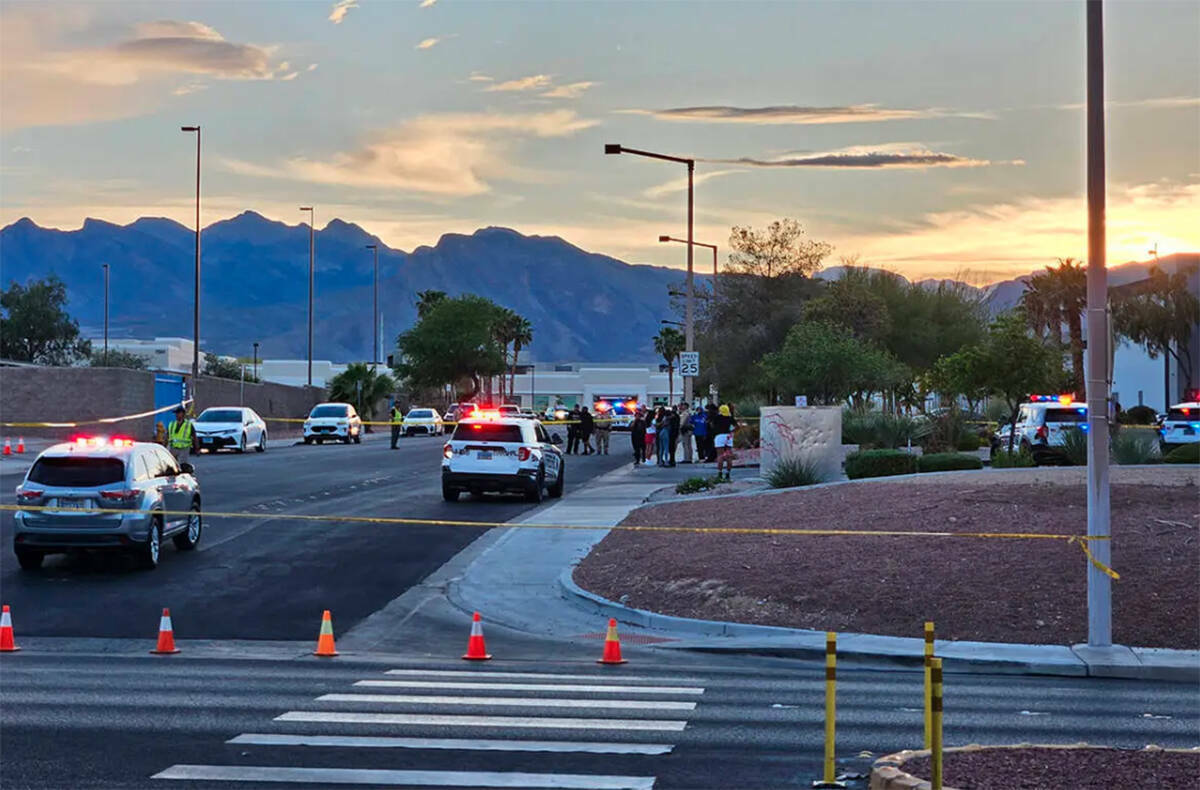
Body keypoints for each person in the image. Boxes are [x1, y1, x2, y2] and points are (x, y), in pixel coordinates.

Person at [712, 404, 739, 480]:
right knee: (728, 455)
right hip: (728, 436)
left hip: (719, 436)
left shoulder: (717, 418)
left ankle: (720, 473)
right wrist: (732, 431)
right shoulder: (730, 418)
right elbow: (737, 426)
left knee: (720, 455)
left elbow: (712, 425)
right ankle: (728, 473)